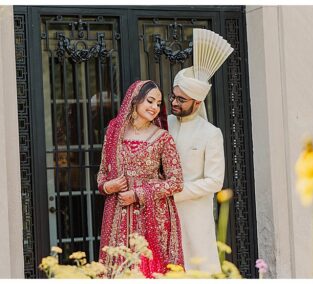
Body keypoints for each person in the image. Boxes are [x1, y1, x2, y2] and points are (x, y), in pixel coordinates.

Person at [97, 80, 184, 277]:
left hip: (153, 215)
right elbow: (102, 172)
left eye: (158, 104)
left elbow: (177, 181)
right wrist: (108, 186)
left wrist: (138, 194)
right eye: (150, 101)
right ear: (135, 100)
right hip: (118, 214)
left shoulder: (163, 138)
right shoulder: (114, 131)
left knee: (148, 269)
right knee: (119, 268)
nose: (155, 108)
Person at [169, 28, 234, 273]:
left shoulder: (210, 133)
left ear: (197, 102)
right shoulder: (164, 124)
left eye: (181, 100)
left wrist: (176, 192)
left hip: (195, 215)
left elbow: (215, 181)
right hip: (164, 213)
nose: (174, 103)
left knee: (197, 268)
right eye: (173, 97)